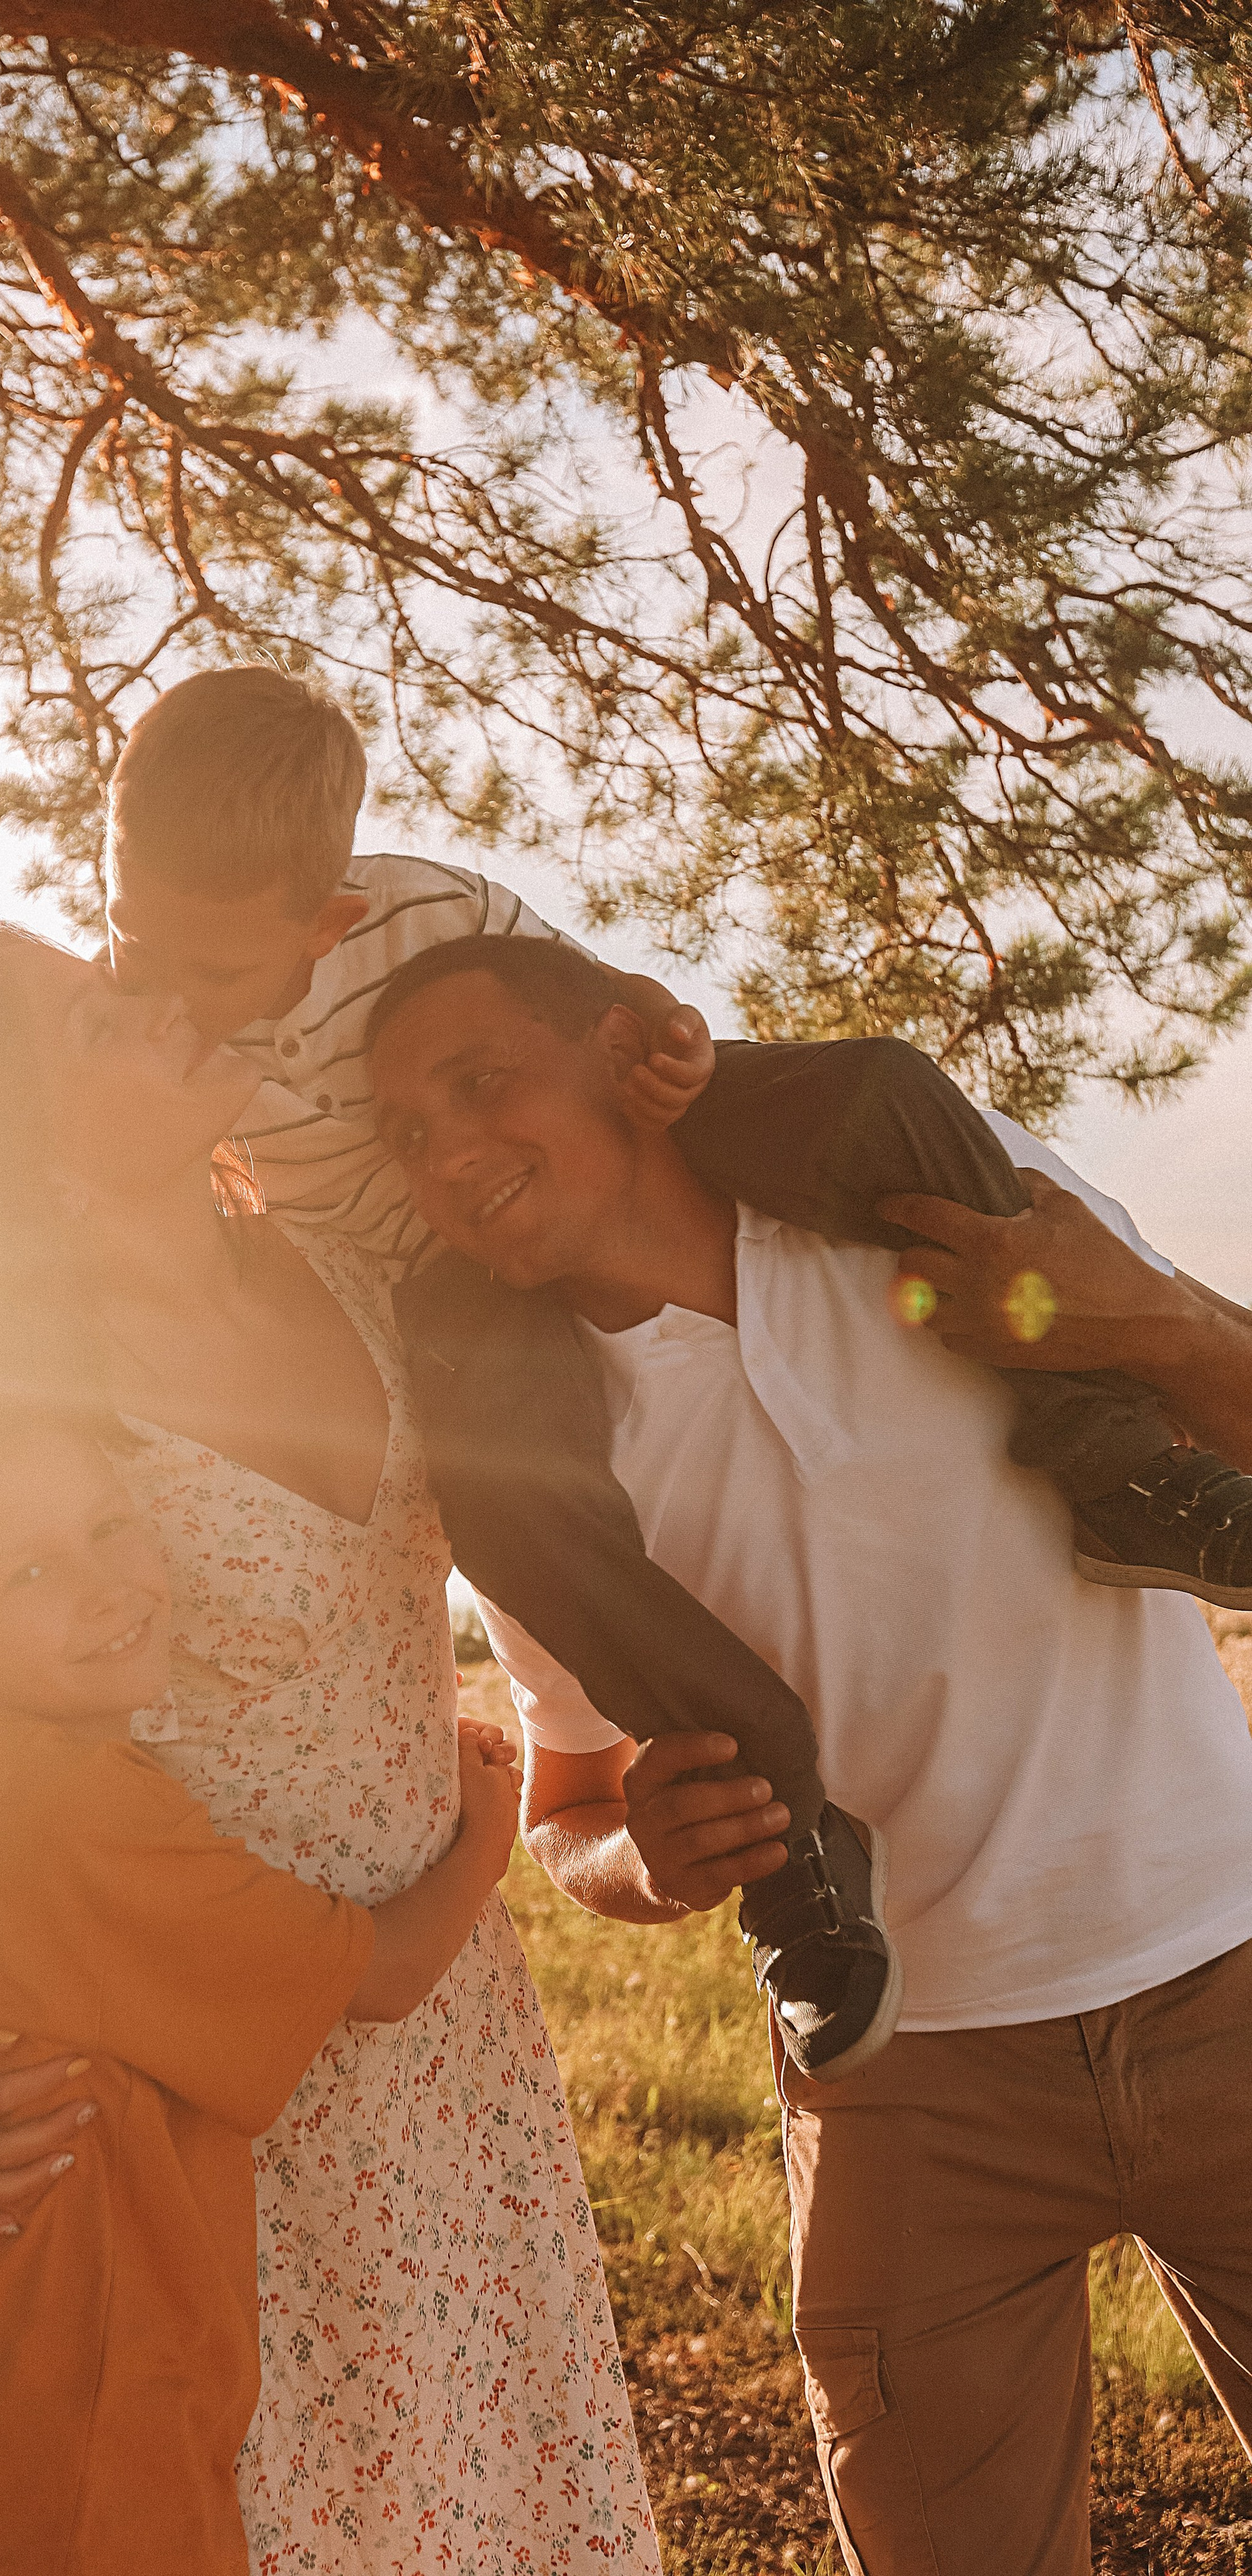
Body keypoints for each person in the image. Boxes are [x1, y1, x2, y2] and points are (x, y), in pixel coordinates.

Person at [101, 666, 1252, 2080]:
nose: (162, 992)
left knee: (880, 1087)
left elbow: (599, 1007)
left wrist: (672, 1046)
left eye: (210, 972)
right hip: (460, 1302)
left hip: (656, 1135)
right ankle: (795, 1858)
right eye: (126, 941)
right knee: (498, 1485)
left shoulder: (432, 913)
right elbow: (572, 1803)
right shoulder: (163, 1027)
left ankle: (1119, 1471)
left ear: (328, 915)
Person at [363, 932, 1252, 2576]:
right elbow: (569, 1809)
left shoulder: (940, 1205)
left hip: (1226, 1978)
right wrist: (641, 1851)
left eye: (478, 1085)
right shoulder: (533, 1468)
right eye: (403, 1136)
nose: (445, 1155)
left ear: (628, 1054)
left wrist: (1163, 1327)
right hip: (905, 2088)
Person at [0, 924, 664, 2575]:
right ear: (29, 1143)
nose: (157, 995)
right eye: (92, 1021)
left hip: (442, 2042)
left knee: (493, 2493)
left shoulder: (354, 1266)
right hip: (189, 2074)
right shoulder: (10, 1397)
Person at [0, 1360, 520, 2575]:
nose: (106, 1587)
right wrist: (490, 1821)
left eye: (108, 1526)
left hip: (10, 2408)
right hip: (88, 2447)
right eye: (30, 1571)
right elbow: (386, 1974)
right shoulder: (73, 1821)